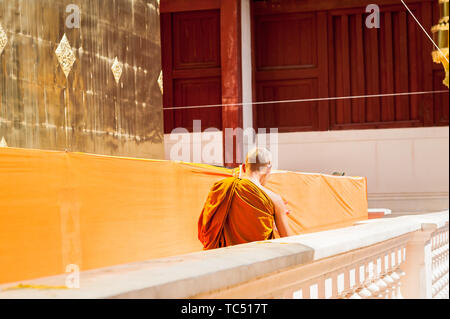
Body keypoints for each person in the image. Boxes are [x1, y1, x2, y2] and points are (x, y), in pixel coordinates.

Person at [198, 147, 295, 250]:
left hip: (222, 261)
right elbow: (290, 243)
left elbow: (205, 231)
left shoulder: (221, 188)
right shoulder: (274, 200)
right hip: (256, 261)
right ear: (268, 168)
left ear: (243, 167)